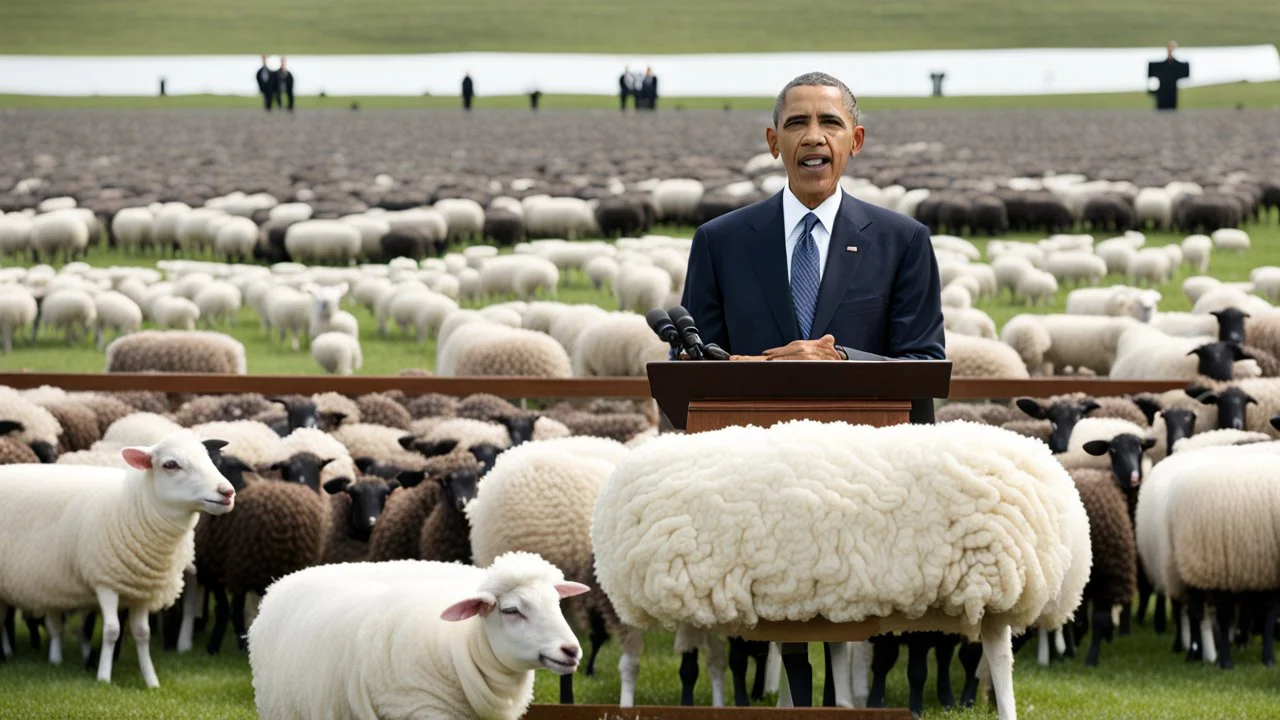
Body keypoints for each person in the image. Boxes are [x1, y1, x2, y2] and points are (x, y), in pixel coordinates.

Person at [679, 71, 945, 706]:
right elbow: (690, 367)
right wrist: (761, 365)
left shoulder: (903, 242)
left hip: (864, 471)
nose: (813, 137)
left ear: (855, 140)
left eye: (828, 123)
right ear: (774, 142)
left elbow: (924, 360)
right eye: (797, 123)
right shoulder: (719, 242)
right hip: (753, 473)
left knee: (850, 611)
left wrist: (839, 357)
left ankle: (851, 696)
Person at [1148, 41, 1190, 111]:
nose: (1170, 50)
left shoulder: (1177, 66)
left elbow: (1185, 72)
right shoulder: (1160, 66)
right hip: (1162, 93)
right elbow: (1151, 71)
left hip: (1172, 93)